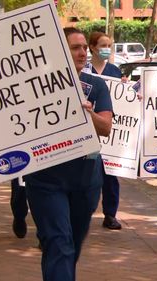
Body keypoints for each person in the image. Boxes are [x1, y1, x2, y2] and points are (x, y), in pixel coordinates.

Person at [22, 27, 113, 281]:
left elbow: (105, 127)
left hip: (85, 179)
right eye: (75, 47)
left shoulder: (96, 85)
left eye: (85, 47)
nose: (83, 52)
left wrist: (87, 114)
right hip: (45, 179)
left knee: (69, 245)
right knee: (58, 241)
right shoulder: (35, 84)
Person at [86, 31, 123, 230]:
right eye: (102, 45)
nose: (106, 49)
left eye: (109, 45)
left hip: (111, 132)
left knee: (110, 174)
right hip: (90, 129)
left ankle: (110, 214)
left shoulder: (115, 72)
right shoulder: (84, 70)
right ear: (92, 47)